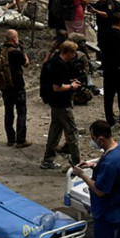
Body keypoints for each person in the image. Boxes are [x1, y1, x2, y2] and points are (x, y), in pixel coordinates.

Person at [41, 40, 83, 170]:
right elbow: (57, 87)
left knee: (55, 131)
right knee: (72, 133)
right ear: (68, 52)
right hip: (62, 103)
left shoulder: (55, 60)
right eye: (73, 52)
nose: (75, 55)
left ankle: (47, 160)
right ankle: (77, 164)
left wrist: (70, 81)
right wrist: (72, 86)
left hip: (55, 103)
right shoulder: (60, 65)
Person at [98, 13, 120, 129]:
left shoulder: (103, 34)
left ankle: (110, 120)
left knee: (108, 96)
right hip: (119, 68)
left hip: (108, 68)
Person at [0, 28, 31, 147]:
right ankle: (21, 140)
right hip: (18, 87)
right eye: (17, 37)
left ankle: (10, 139)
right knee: (21, 113)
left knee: (8, 113)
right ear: (13, 39)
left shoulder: (0, 51)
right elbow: (26, 64)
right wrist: (24, 54)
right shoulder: (17, 53)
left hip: (6, 87)